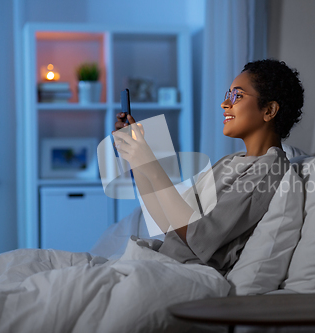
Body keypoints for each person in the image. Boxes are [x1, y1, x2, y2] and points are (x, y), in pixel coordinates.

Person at [113, 59, 304, 275]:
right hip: (162, 262)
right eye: (227, 95)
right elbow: (169, 225)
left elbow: (199, 237)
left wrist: (152, 166)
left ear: (269, 110)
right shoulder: (230, 161)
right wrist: (138, 160)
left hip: (185, 274)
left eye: (237, 96)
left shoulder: (268, 170)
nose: (225, 104)